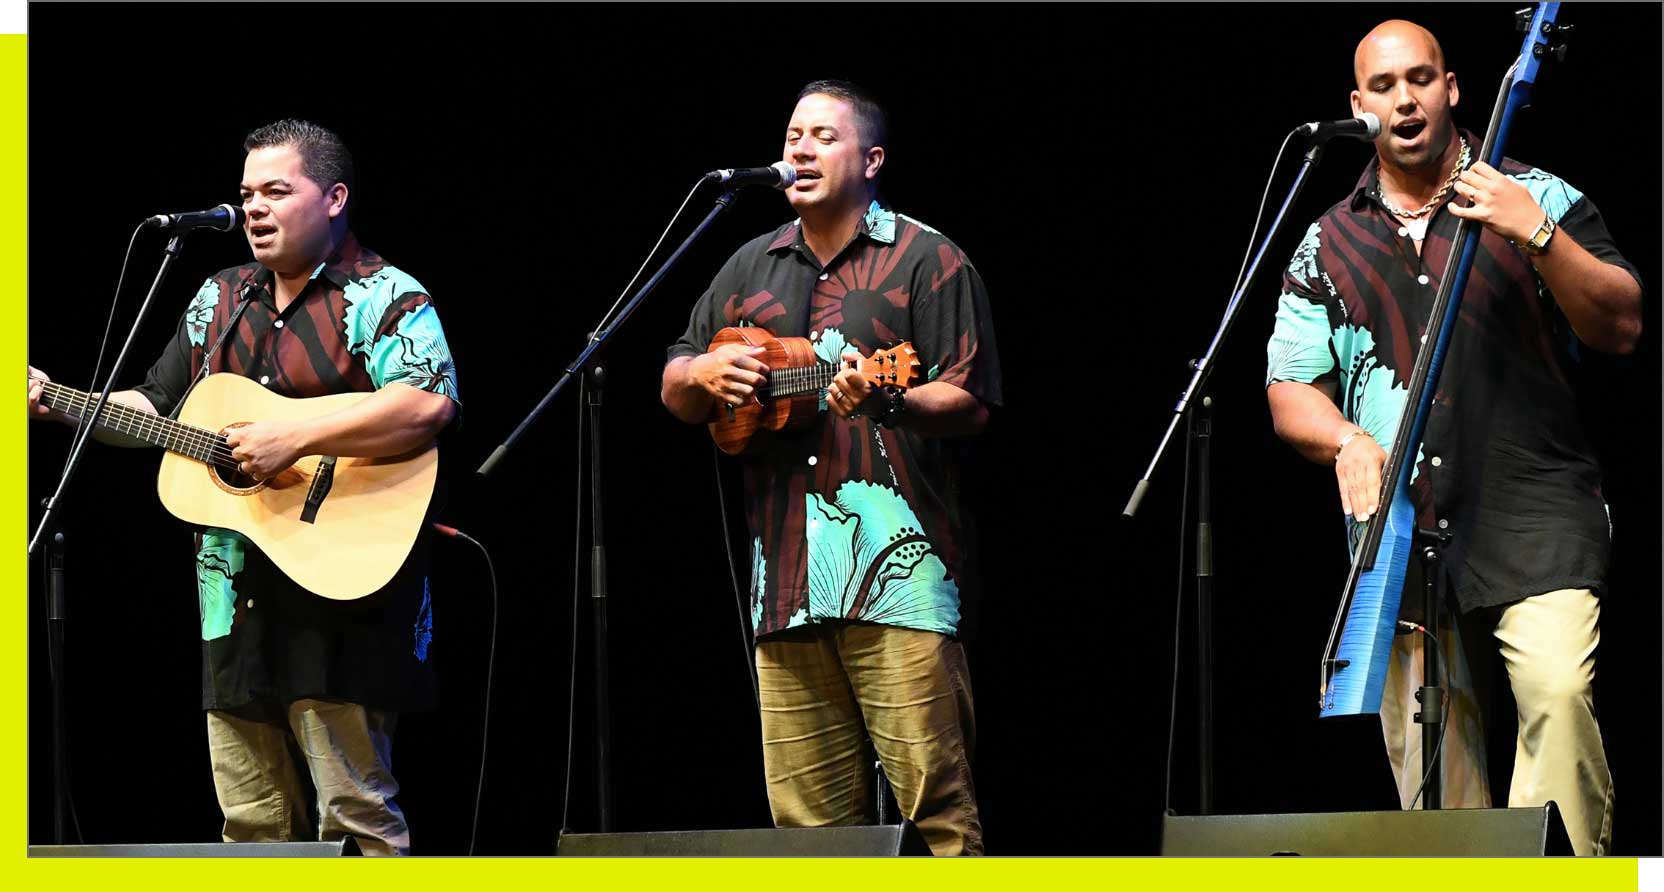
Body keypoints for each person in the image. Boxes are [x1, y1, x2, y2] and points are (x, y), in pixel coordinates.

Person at [28, 119, 460, 855]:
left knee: (356, 817)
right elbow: (156, 409)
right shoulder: (218, 298)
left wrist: (296, 438)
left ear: (333, 199)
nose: (255, 208)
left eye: (276, 191)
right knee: (250, 827)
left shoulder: (385, 294)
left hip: (344, 594)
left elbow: (427, 404)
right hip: (233, 603)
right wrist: (61, 402)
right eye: (247, 193)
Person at [1265, 21, 1642, 855]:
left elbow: (1621, 323)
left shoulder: (1531, 192)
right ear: (1358, 105)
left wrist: (1535, 233)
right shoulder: (1328, 238)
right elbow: (1290, 388)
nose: (1405, 99)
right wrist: (1346, 441)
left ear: (1453, 88)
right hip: (1399, 534)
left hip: (1532, 512)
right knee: (1431, 771)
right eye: (1385, 86)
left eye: (1420, 79)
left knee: (1557, 698)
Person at [660, 80, 1001, 855]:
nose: (801, 150)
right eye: (793, 137)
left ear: (872, 159)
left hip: (900, 584)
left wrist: (891, 401)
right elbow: (677, 376)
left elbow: (971, 398)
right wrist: (700, 375)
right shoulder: (748, 265)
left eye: (823, 137)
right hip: (783, 588)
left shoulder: (929, 259)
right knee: (809, 838)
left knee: (939, 818)